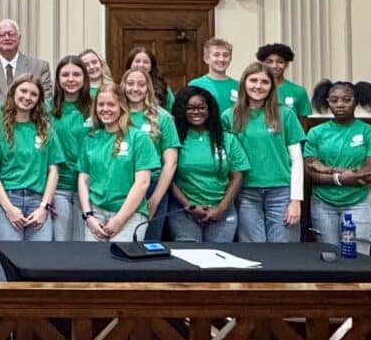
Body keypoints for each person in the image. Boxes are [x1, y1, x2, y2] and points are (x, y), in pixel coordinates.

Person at [223, 61, 306, 243]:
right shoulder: (229, 116)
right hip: (246, 192)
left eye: (264, 82)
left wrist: (296, 200)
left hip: (281, 192)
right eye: (253, 80)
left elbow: (297, 159)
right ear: (244, 83)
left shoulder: (285, 114)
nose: (258, 86)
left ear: (271, 86)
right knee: (253, 249)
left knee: (283, 249)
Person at [305, 79, 371, 256]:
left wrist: (328, 170)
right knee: (328, 257)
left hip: (359, 202)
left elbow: (370, 174)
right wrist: (343, 177)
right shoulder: (316, 132)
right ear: (327, 101)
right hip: (323, 203)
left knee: (358, 258)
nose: (340, 104)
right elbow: (310, 173)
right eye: (334, 100)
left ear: (356, 101)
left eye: (346, 100)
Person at [0, 74, 63, 244]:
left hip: (38, 203)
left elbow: (54, 171)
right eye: (23, 91)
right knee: (8, 259)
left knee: (39, 259)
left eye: (33, 94)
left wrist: (44, 207)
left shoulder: (46, 130)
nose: (27, 97)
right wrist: (9, 209)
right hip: (7, 201)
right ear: (13, 92)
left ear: (39, 100)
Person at [77, 82, 161, 242]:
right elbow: (83, 179)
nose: (105, 109)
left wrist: (119, 219)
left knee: (119, 257)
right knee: (93, 258)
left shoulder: (139, 138)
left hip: (129, 214)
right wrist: (88, 215)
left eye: (111, 104)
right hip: (96, 214)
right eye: (101, 104)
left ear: (122, 106)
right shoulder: (90, 139)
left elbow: (142, 183)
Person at [168, 86, 249, 243]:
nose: (196, 112)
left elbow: (237, 177)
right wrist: (190, 207)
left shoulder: (228, 139)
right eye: (189, 108)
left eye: (201, 107)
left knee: (220, 256)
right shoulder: (175, 139)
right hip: (184, 211)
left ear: (209, 109)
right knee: (188, 256)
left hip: (222, 210)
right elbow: (168, 177)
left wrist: (221, 208)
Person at [121, 68, 181, 240]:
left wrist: (155, 199)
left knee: (148, 243)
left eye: (141, 84)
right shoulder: (116, 114)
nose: (135, 88)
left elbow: (171, 163)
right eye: (130, 83)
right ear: (123, 86)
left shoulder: (163, 117)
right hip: (120, 187)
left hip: (153, 187)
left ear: (148, 87)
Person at [48, 55, 93, 242]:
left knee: (84, 245)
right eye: (65, 75)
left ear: (84, 78)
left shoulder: (96, 107)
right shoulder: (46, 108)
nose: (71, 79)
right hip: (59, 188)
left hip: (90, 187)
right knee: (61, 245)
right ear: (58, 79)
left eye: (76, 74)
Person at [0, 19, 52, 102]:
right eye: (2, 35)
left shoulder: (39, 67)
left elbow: (46, 101)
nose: (7, 38)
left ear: (19, 38)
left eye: (11, 34)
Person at [257, 43, 312, 120]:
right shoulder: (254, 89)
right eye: (269, 62)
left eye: (280, 62)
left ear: (286, 64)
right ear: (263, 64)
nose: (274, 66)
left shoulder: (299, 91)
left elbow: (303, 122)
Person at [188, 38, 239, 116]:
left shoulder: (238, 86)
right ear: (206, 59)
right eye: (216, 55)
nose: (221, 59)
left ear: (230, 59)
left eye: (225, 55)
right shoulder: (195, 85)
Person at [126, 46, 174, 111]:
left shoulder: (163, 88)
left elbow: (171, 110)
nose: (141, 65)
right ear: (130, 65)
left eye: (145, 62)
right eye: (137, 61)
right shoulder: (123, 86)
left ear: (151, 66)